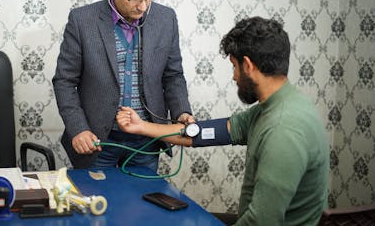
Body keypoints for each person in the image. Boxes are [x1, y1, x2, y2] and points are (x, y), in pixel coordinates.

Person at [116, 16, 329, 226]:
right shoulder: (279, 105)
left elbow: (262, 221)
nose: (235, 77)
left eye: (234, 66)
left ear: (248, 65)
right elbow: (210, 132)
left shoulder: (283, 129)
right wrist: (141, 126)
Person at [52, 0, 193, 170]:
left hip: (147, 138)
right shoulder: (82, 20)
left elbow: (173, 75)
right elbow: (64, 81)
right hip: (98, 139)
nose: (143, 6)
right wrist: (78, 129)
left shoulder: (166, 18)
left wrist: (182, 112)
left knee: (142, 202)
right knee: (96, 202)